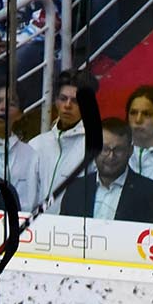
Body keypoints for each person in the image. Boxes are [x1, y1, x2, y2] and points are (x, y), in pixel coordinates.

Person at [59, 118, 153, 219]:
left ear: (130, 151)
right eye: (105, 149)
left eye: (118, 150)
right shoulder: (75, 189)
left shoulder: (151, 193)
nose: (111, 156)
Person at [29, 69, 97, 205]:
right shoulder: (37, 144)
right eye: (63, 98)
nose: (67, 105)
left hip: (73, 224)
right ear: (55, 101)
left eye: (76, 101)